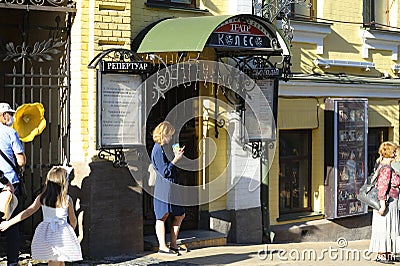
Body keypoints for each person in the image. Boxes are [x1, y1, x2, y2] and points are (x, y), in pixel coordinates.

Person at [0, 166, 82, 266]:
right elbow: (73, 220)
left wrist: (9, 223)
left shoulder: (42, 197)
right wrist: (70, 231)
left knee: (58, 260)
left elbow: (28, 212)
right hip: (62, 234)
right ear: (64, 183)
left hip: (47, 232)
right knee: (57, 260)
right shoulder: (67, 200)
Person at [151, 121, 185, 255]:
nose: (171, 137)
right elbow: (164, 171)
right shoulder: (158, 149)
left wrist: (177, 155)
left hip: (172, 185)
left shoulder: (165, 147)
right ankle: (163, 247)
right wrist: (175, 160)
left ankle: (174, 244)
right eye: (169, 135)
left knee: (180, 214)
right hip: (163, 186)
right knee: (162, 216)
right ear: (163, 134)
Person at [0, 102, 26, 266]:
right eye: (9, 113)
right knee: (11, 225)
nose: (11, 117)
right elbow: (21, 161)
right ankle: (12, 262)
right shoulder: (11, 133)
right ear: (3, 116)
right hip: (9, 184)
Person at [369, 141, 400, 264]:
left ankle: (387, 253)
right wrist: (382, 205)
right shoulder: (386, 169)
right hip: (387, 203)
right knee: (385, 227)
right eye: (394, 151)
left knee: (389, 227)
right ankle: (381, 254)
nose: (396, 153)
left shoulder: (384, 166)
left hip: (391, 201)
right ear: (389, 153)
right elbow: (382, 187)